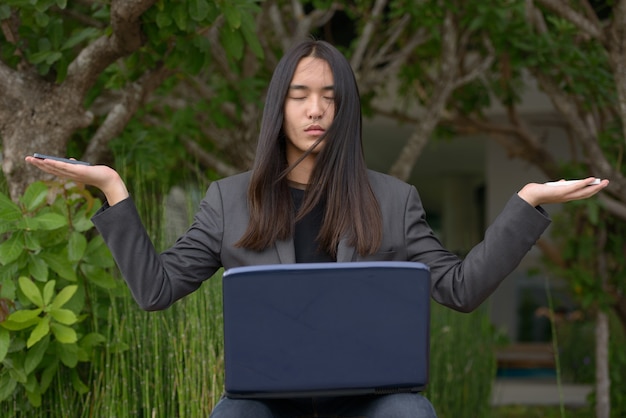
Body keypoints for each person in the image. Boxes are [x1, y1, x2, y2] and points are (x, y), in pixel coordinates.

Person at [26, 39, 608, 418]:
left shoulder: (392, 199)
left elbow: (459, 290)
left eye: (330, 97)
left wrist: (526, 203)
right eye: (300, 95)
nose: (315, 110)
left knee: (411, 414)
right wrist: (112, 189)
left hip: (370, 401)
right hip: (265, 400)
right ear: (279, 106)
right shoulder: (228, 201)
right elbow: (156, 292)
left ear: (344, 109)